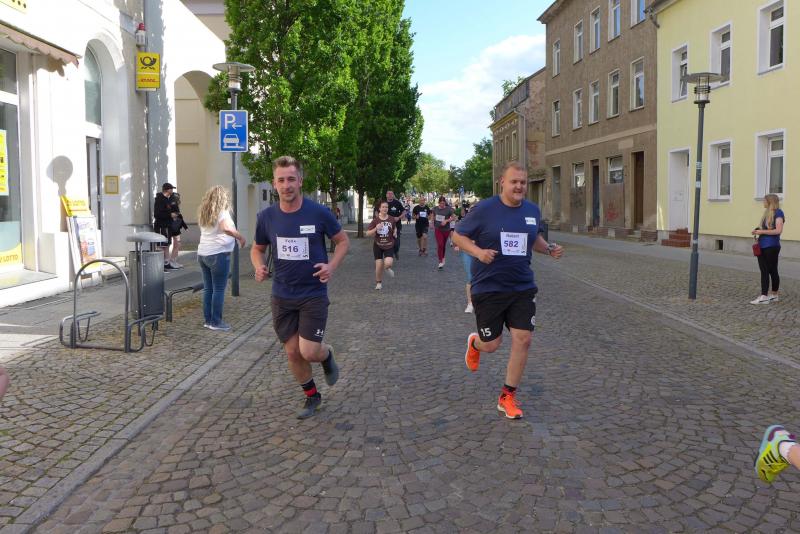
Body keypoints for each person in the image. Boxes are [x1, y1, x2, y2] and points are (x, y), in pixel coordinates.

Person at [452, 161, 564, 420]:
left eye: (523, 182)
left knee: (523, 339)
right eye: (514, 182)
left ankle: (507, 396)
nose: (519, 187)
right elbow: (458, 236)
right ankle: (475, 343)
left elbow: (533, 238)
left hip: (522, 285)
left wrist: (548, 248)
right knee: (492, 344)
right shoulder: (484, 209)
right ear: (502, 182)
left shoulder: (532, 210)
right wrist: (478, 252)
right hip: (489, 287)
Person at [251, 156, 350, 419]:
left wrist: (331, 266)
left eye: (291, 179)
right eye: (281, 180)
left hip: (313, 293)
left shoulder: (319, 213)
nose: (286, 185)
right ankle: (312, 396)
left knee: (309, 351)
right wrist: (258, 266)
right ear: (274, 183)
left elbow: (342, 241)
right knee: (293, 352)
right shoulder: (266, 217)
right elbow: (257, 248)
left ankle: (326, 355)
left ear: (300, 181)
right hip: (282, 295)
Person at [196, 186, 246, 331]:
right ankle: (216, 322)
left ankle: (208, 320)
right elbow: (226, 228)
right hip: (218, 254)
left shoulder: (204, 212)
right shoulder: (222, 212)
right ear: (223, 198)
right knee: (218, 289)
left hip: (203, 254)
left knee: (208, 288)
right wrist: (240, 237)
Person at [750, 194, 785, 304]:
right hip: (763, 245)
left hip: (771, 246)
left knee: (766, 270)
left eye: (764, 201)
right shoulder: (767, 213)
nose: (763, 202)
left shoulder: (778, 213)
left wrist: (761, 231)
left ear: (770, 202)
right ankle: (774, 295)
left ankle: (764, 296)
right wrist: (758, 230)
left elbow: (778, 230)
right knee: (771, 270)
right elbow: (767, 228)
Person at [366, 200, 397, 290]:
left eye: (386, 207)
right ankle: (378, 283)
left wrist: (395, 232)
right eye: (383, 207)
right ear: (379, 208)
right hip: (378, 245)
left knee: (388, 263)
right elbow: (367, 233)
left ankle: (387, 268)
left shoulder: (391, 219)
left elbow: (395, 228)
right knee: (379, 265)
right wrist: (376, 228)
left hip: (389, 244)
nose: (385, 209)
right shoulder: (375, 220)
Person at [153, 182, 181, 270]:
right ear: (168, 190)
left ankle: (167, 263)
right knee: (161, 246)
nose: (172, 190)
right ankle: (160, 266)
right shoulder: (160, 199)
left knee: (167, 245)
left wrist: (174, 214)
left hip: (167, 226)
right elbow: (157, 214)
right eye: (171, 189)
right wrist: (170, 215)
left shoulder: (167, 199)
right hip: (161, 226)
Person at [376, 190, 405, 259]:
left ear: (393, 195)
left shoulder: (397, 203)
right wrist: (378, 219)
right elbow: (376, 211)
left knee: (396, 242)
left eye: (391, 194)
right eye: (388, 193)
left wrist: (399, 217)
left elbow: (404, 211)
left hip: (396, 225)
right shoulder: (382, 203)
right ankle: (388, 255)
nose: (390, 195)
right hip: (385, 226)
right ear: (386, 195)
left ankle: (396, 251)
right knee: (386, 241)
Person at [432, 196, 456, 269]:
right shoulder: (435, 209)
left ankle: (443, 257)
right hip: (438, 229)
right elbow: (433, 216)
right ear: (438, 203)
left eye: (443, 203)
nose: (442, 205)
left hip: (446, 230)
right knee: (440, 244)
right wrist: (431, 223)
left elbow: (454, 217)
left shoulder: (448, 209)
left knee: (443, 245)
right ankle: (440, 261)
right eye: (441, 203)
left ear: (445, 202)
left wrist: (446, 221)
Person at [168, 191, 189, 268]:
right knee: (177, 245)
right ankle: (172, 261)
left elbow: (179, 217)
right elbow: (178, 216)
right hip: (174, 228)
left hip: (174, 227)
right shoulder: (173, 205)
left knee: (176, 245)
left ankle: (173, 261)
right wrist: (185, 226)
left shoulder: (171, 204)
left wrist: (185, 227)